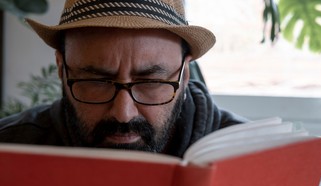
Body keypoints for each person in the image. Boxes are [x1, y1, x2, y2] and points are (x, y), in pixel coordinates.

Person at [0, 0, 246, 157]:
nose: (123, 114)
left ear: (184, 76)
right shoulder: (8, 148)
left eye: (151, 83)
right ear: (62, 69)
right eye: (97, 82)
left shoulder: (251, 156)